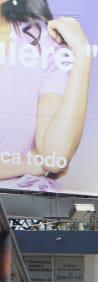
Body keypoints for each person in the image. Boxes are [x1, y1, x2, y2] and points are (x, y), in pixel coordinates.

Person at [0, 1, 90, 192]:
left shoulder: (42, 41)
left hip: (26, 211)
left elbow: (55, 158)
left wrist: (83, 56)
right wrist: (29, 164)